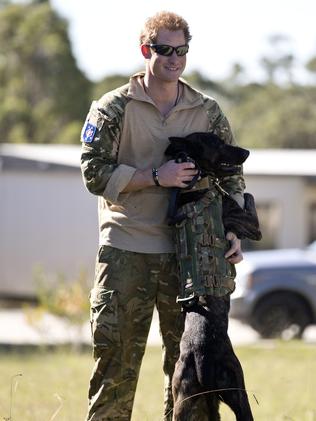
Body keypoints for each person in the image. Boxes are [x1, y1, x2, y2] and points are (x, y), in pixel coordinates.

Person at [80, 10, 245, 421]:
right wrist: (157, 176)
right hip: (126, 249)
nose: (174, 58)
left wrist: (234, 230)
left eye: (182, 50)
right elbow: (92, 172)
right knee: (115, 369)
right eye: (165, 49)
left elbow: (232, 175)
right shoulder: (114, 107)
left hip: (190, 257)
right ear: (145, 50)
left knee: (191, 375)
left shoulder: (206, 109)